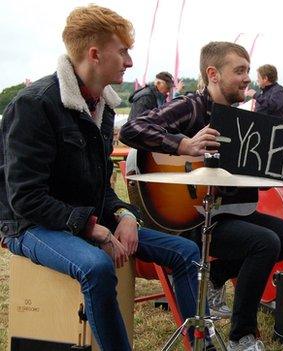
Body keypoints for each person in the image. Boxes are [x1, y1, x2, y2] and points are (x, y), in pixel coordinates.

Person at [0, 5, 201, 351]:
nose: (129, 62)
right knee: (96, 267)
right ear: (95, 54)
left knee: (186, 251)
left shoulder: (102, 106)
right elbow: (25, 198)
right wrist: (93, 227)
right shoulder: (34, 104)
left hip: (79, 216)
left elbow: (99, 185)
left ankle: (199, 345)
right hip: (27, 224)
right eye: (122, 51)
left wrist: (125, 215)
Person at [120, 41, 283, 351]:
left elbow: (251, 183)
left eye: (249, 70)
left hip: (230, 212)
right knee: (264, 243)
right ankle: (240, 336)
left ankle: (217, 277)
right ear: (213, 74)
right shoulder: (191, 106)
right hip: (190, 217)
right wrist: (182, 145)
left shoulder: (242, 122)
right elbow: (133, 129)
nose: (247, 78)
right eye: (240, 71)